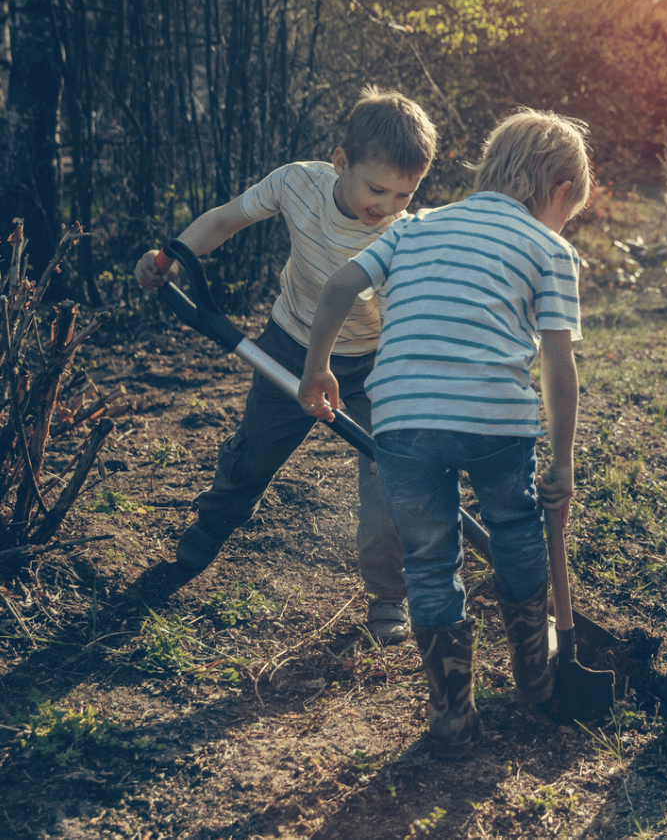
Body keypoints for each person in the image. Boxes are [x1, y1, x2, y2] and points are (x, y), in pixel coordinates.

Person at [298, 108, 590, 759]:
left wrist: (317, 367)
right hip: (495, 420)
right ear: (561, 192)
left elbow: (343, 281)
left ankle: (452, 712)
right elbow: (558, 366)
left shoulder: (415, 225)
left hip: (400, 417)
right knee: (515, 531)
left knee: (428, 560)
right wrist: (562, 463)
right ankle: (535, 682)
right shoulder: (550, 248)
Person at [135, 86, 438, 646]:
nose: (389, 205)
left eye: (405, 194)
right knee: (255, 452)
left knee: (388, 479)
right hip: (288, 345)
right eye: (377, 189)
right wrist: (168, 257)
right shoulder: (297, 182)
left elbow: (408, 322)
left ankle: (387, 594)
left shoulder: (404, 234)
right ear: (340, 163)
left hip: (374, 365)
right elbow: (225, 220)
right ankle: (212, 524)